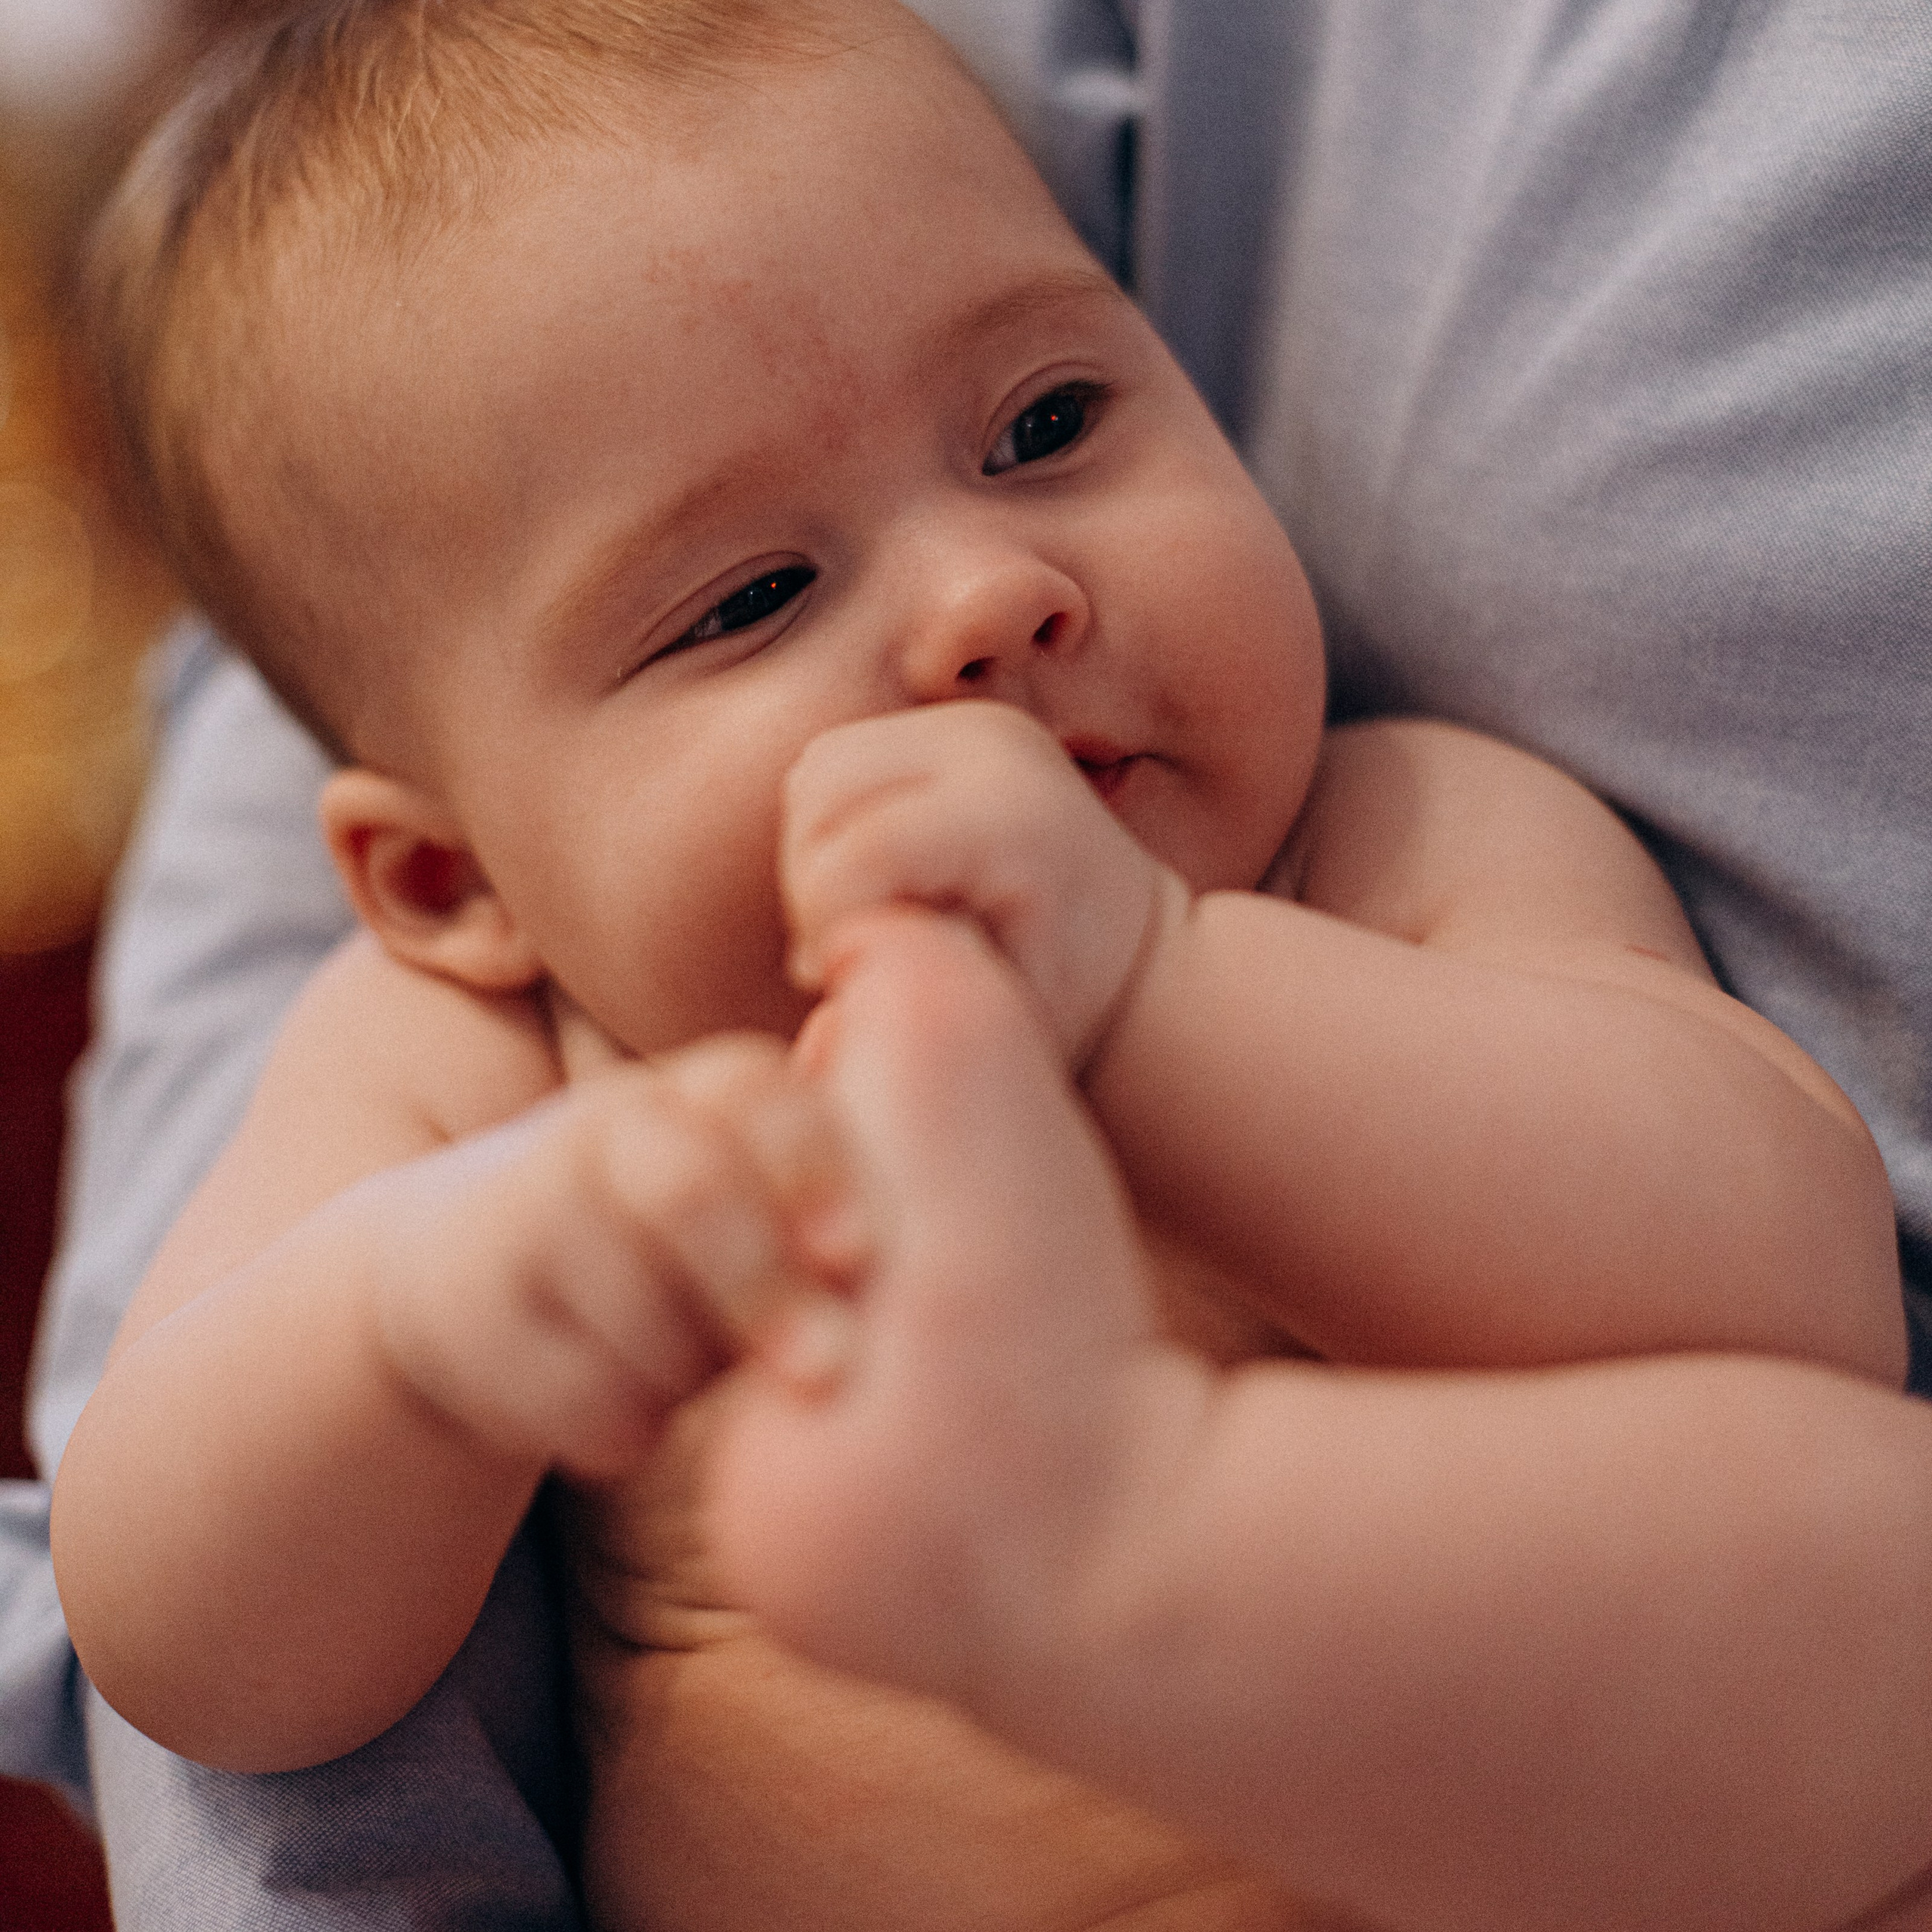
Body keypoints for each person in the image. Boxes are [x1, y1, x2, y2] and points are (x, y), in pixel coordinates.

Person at [5, 3, 1928, 1930]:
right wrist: (413, 1332)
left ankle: (1117, 1544)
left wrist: (1159, 992)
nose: (988, 595)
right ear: (449, 876)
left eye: (1045, 425)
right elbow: (186, 1652)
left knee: (1867, 1531)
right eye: (753, 596)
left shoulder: (1389, 837)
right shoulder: (487, 1059)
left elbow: (1783, 1275)